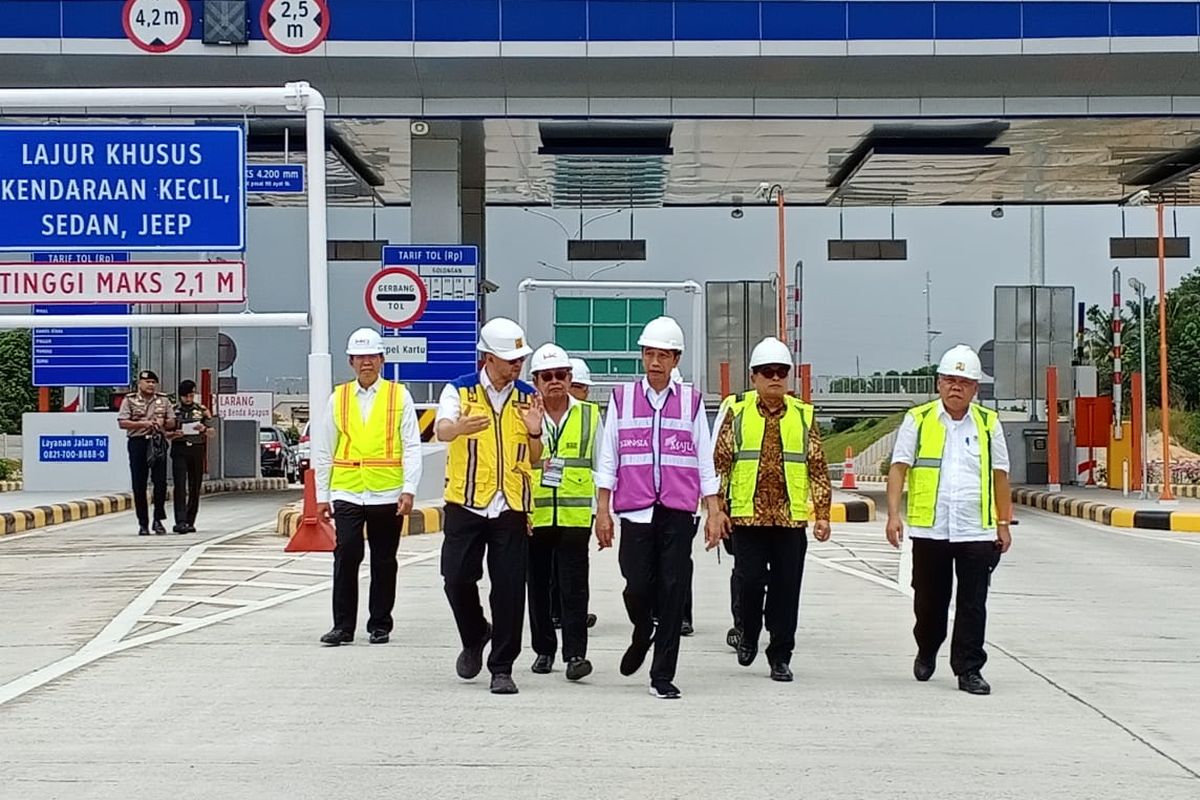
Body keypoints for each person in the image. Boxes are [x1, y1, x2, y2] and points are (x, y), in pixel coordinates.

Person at [594, 316, 725, 700]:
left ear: (675, 359)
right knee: (636, 585)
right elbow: (608, 457)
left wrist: (713, 510)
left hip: (678, 510)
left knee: (672, 589)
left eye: (662, 355)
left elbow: (705, 458)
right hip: (634, 510)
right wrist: (602, 510)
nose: (654, 362)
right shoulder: (622, 399)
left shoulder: (691, 401)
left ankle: (662, 674)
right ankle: (641, 629)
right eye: (649, 354)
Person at [885, 344, 1012, 696]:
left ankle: (969, 669)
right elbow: (898, 469)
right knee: (929, 601)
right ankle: (927, 648)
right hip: (931, 529)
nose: (956, 387)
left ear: (975, 388)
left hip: (976, 529)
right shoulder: (919, 420)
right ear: (939, 384)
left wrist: (1003, 523)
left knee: (973, 603)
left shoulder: (989, 424)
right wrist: (894, 515)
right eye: (949, 380)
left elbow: (1001, 475)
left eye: (964, 381)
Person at [711, 337, 832, 682]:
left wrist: (822, 513)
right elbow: (721, 464)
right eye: (767, 372)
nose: (775, 378)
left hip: (790, 520)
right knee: (748, 583)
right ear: (754, 377)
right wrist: (717, 511)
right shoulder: (738, 411)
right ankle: (747, 634)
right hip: (747, 518)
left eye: (781, 372)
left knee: (786, 589)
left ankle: (780, 654)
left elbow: (818, 467)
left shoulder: (804, 416)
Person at [437, 317, 545, 695]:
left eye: (520, 359)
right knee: (456, 578)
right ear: (487, 357)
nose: (516, 365)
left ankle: (502, 666)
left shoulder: (528, 396)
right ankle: (475, 633)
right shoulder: (459, 390)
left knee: (510, 588)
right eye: (509, 359)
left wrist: (534, 430)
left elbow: (535, 458)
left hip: (511, 506)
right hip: (466, 503)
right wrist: (459, 429)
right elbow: (442, 429)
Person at [314, 328, 422, 647]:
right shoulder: (339, 397)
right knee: (346, 553)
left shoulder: (398, 395)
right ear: (351, 361)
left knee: (384, 560)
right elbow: (324, 449)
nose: (366, 363)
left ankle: (379, 624)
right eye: (360, 357)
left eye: (372, 357)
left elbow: (412, 445)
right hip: (347, 490)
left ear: (382, 360)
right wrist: (322, 496)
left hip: (387, 493)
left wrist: (409, 488)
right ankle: (343, 626)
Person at [527, 344, 600, 682]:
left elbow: (602, 465)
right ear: (536, 381)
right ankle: (544, 649)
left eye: (561, 375)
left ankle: (575, 655)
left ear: (570, 378)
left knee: (574, 586)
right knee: (538, 586)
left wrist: (602, 511)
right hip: (535, 515)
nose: (555, 382)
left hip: (574, 515)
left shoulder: (589, 415)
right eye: (547, 376)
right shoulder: (524, 415)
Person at [117, 369, 176, 536]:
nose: (150, 385)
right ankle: (143, 522)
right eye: (147, 382)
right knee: (139, 484)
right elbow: (122, 423)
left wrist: (164, 421)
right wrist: (144, 424)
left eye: (153, 382)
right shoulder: (129, 400)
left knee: (160, 482)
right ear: (140, 384)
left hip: (157, 442)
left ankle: (158, 520)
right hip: (138, 443)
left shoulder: (163, 401)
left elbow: (172, 421)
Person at [169, 380, 214, 533]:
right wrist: (174, 434)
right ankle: (180, 521)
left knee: (195, 486)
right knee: (180, 485)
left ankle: (190, 520)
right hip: (180, 448)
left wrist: (204, 429)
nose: (189, 399)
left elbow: (212, 432)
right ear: (181, 396)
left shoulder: (201, 410)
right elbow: (166, 432)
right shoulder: (173, 410)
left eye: (191, 395)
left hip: (197, 449)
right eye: (186, 396)